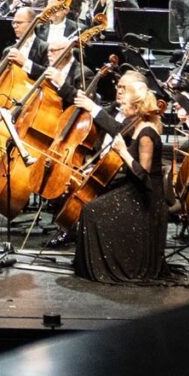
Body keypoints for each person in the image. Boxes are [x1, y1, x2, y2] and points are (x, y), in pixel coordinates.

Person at [73, 70, 169, 284]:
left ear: (136, 107)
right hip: (133, 188)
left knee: (91, 210)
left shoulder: (146, 133)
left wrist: (123, 152)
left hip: (145, 198)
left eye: (125, 104)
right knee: (92, 204)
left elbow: (143, 176)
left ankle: (107, 265)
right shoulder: (135, 126)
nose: (122, 107)